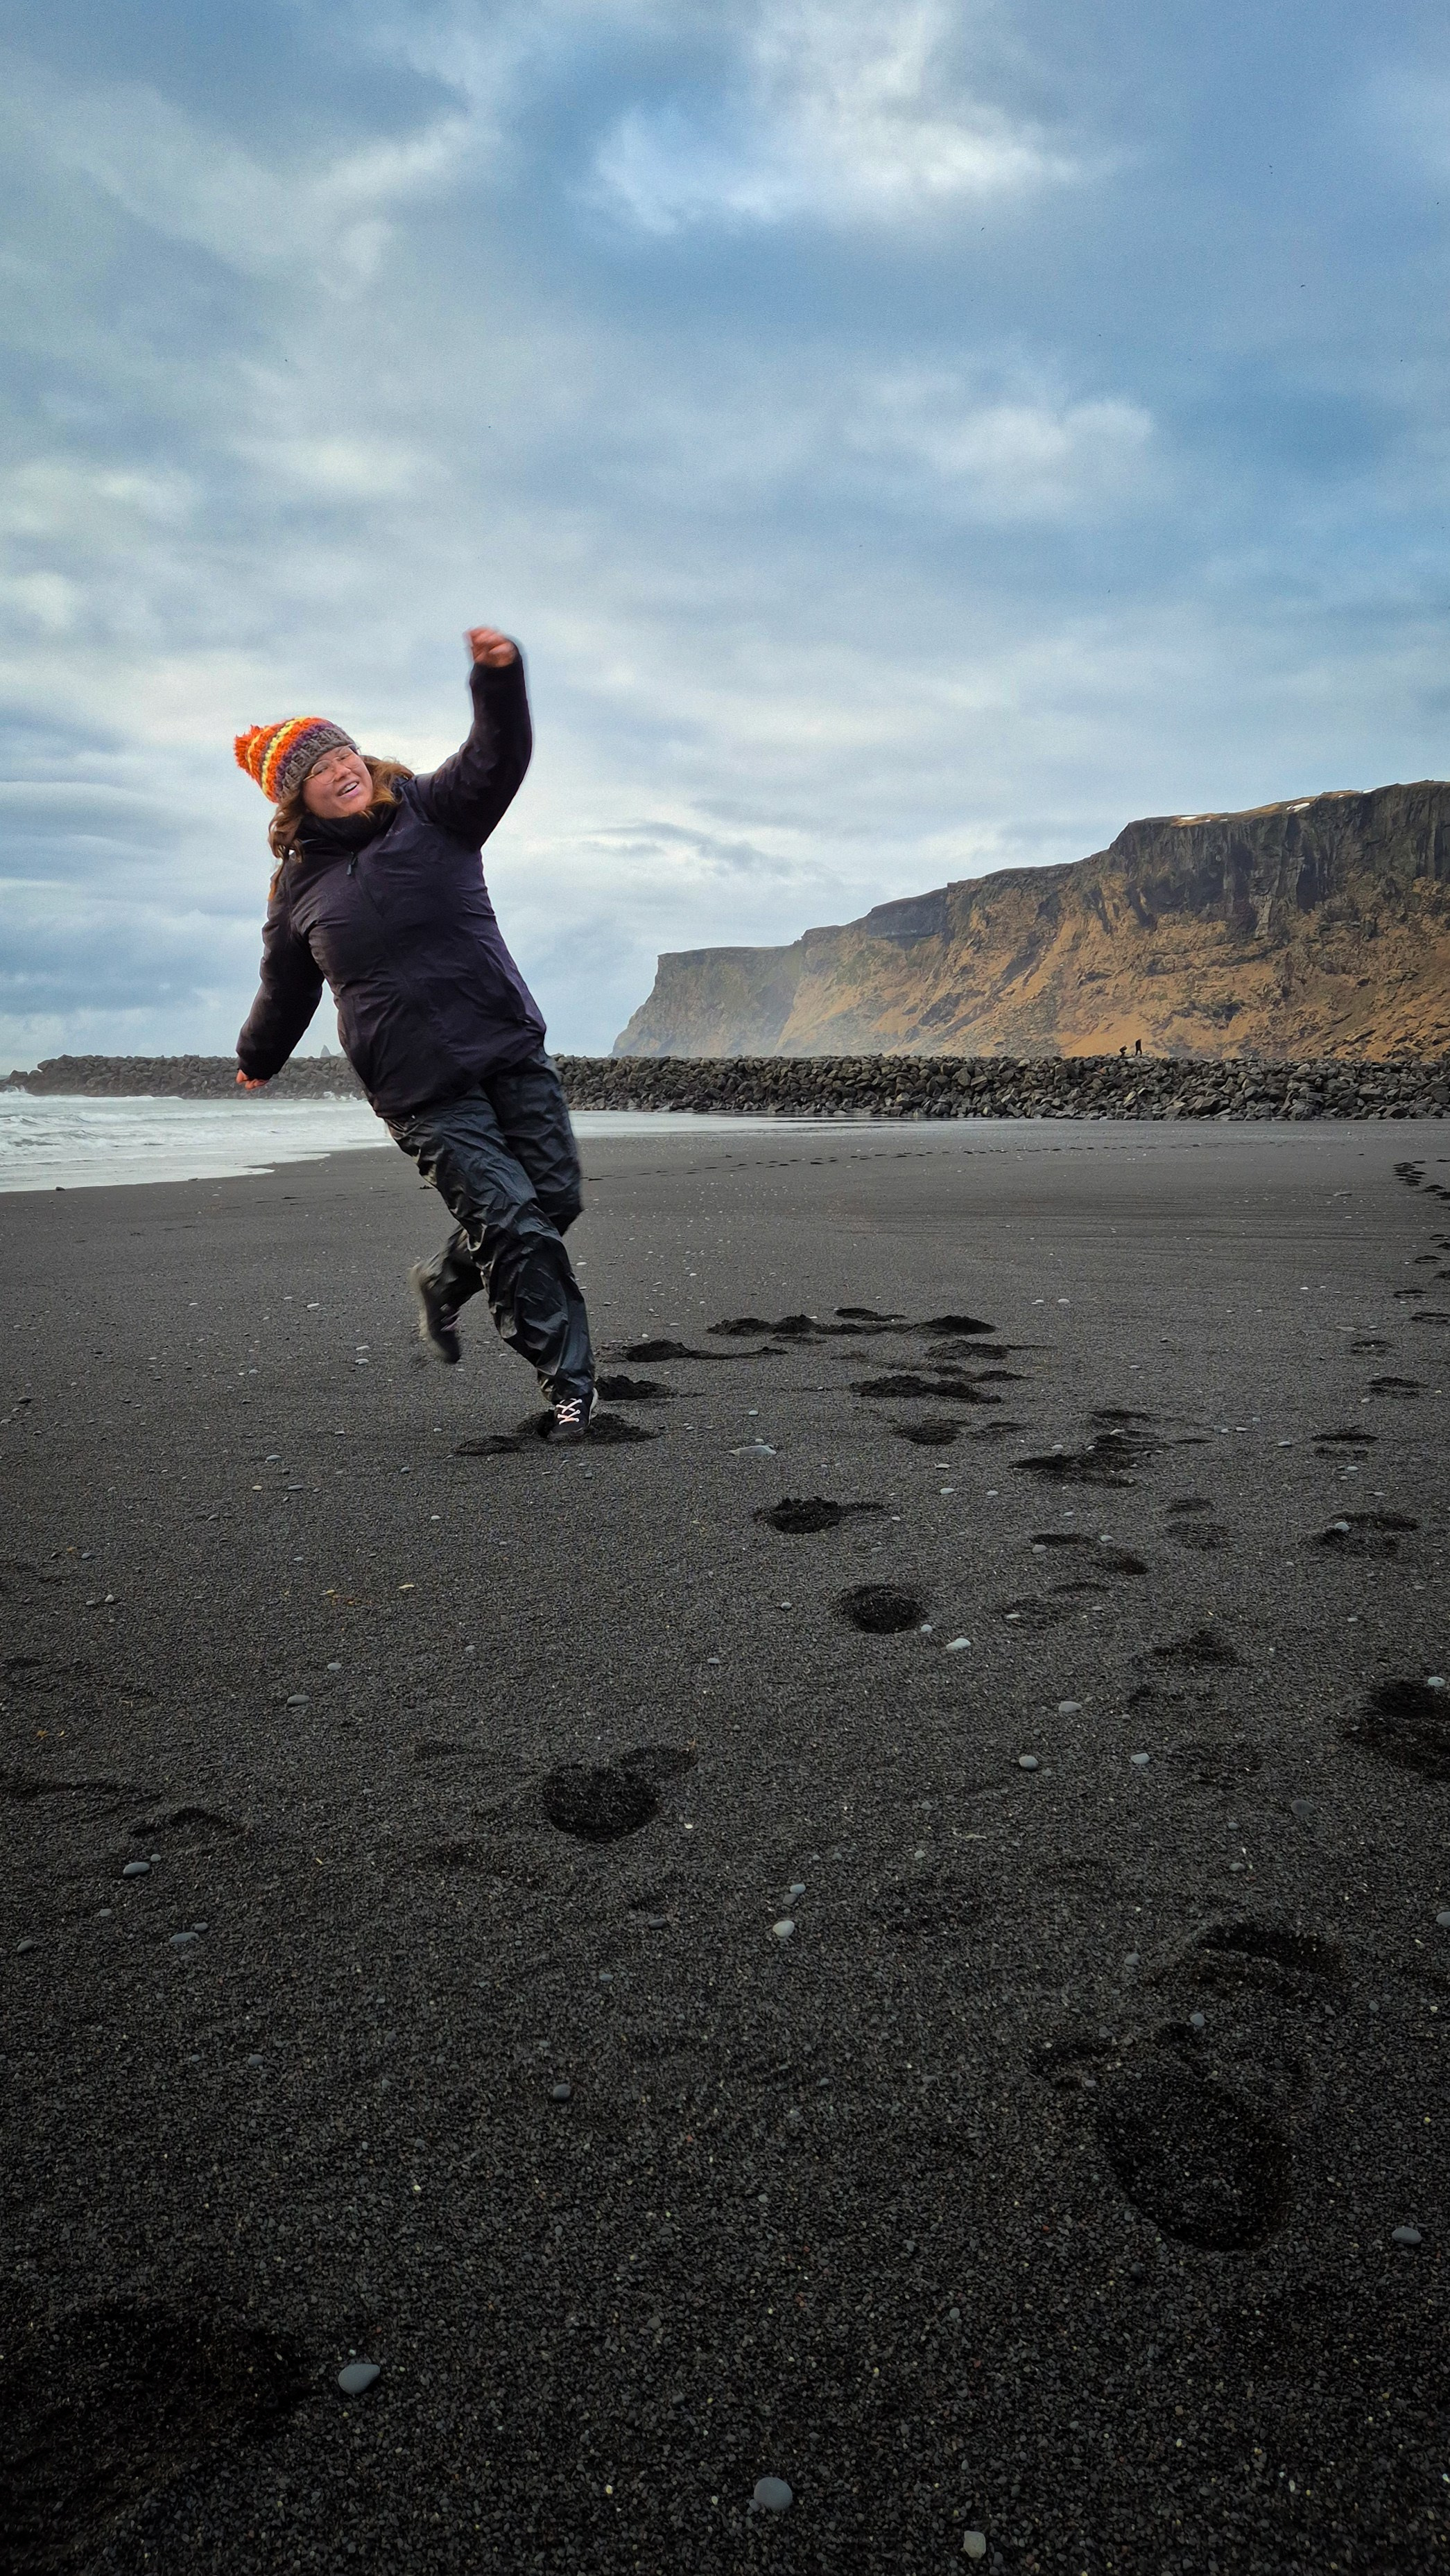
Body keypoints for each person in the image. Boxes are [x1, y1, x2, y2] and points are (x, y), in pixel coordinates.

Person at [232, 626, 596, 1442]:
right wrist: (258, 1057)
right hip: (417, 1086)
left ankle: (442, 1278)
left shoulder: (435, 809)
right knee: (510, 1220)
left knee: (553, 1200)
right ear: (298, 798)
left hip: (505, 1046)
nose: (343, 769)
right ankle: (569, 1389)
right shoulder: (298, 890)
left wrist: (496, 681)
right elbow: (284, 987)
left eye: (345, 755)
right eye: (321, 770)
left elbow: (497, 756)